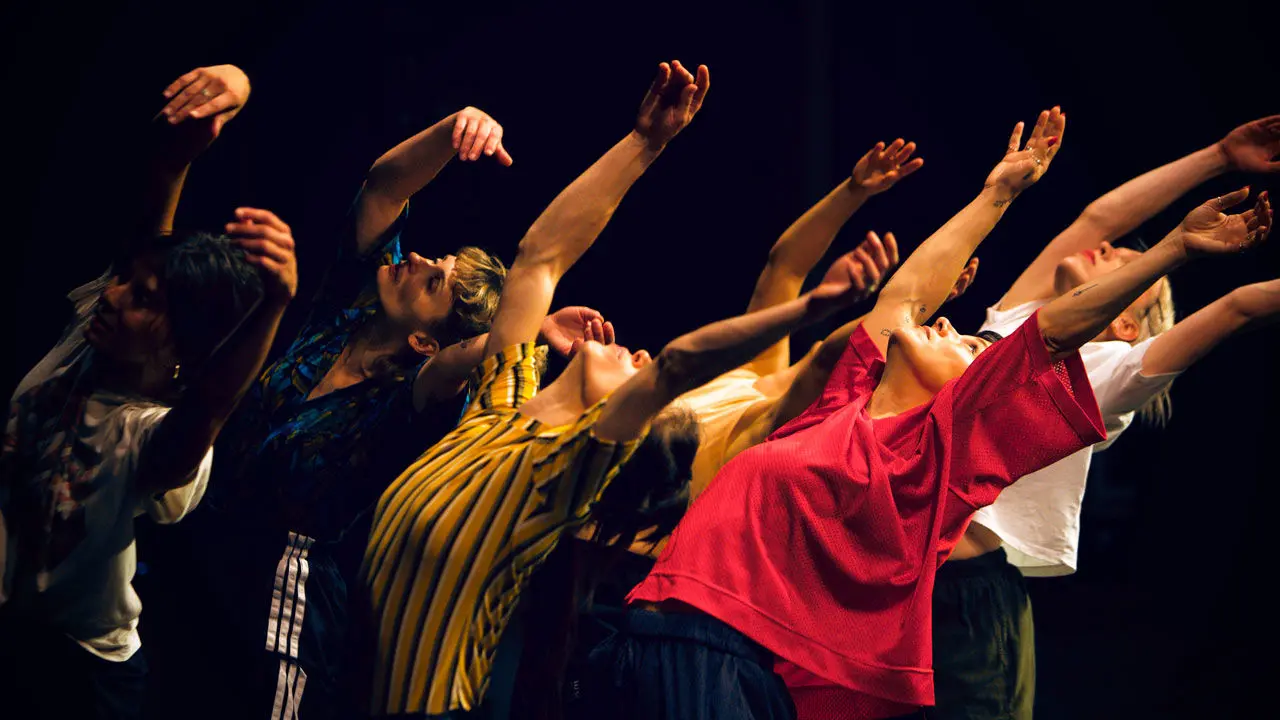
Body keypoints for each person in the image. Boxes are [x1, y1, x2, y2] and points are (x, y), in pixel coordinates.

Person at [359, 59, 894, 720]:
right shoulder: (503, 399)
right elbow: (541, 256)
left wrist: (810, 310)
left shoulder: (562, 470)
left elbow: (674, 366)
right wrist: (644, 143)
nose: (630, 350)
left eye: (636, 372)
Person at [583, 108, 1084, 720]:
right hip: (639, 601)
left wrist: (873, 302)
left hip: (684, 615)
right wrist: (851, 197)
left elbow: (863, 329)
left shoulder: (796, 419)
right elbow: (784, 268)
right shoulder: (752, 377)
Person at [163, 100, 609, 720]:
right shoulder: (345, 309)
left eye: (435, 282)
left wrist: (528, 329)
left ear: (426, 341)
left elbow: (459, 363)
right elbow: (384, 184)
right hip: (199, 556)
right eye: (436, 260)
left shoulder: (411, 396)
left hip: (279, 609)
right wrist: (455, 130)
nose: (420, 259)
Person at [931, 112, 1280, 720]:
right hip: (898, 566)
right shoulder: (1019, 322)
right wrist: (1220, 155)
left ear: (1125, 326)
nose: (1113, 248)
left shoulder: (1107, 373)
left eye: (1123, 263)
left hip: (968, 605)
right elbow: (1097, 219)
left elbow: (1239, 306)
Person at [0, 64, 300, 720]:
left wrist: (275, 305)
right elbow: (152, 216)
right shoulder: (93, 336)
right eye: (125, 281)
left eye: (142, 299)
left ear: (178, 351)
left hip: (83, 676)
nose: (112, 296)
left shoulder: (147, 434)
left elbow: (211, 404)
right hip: (12, 635)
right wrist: (230, 92)